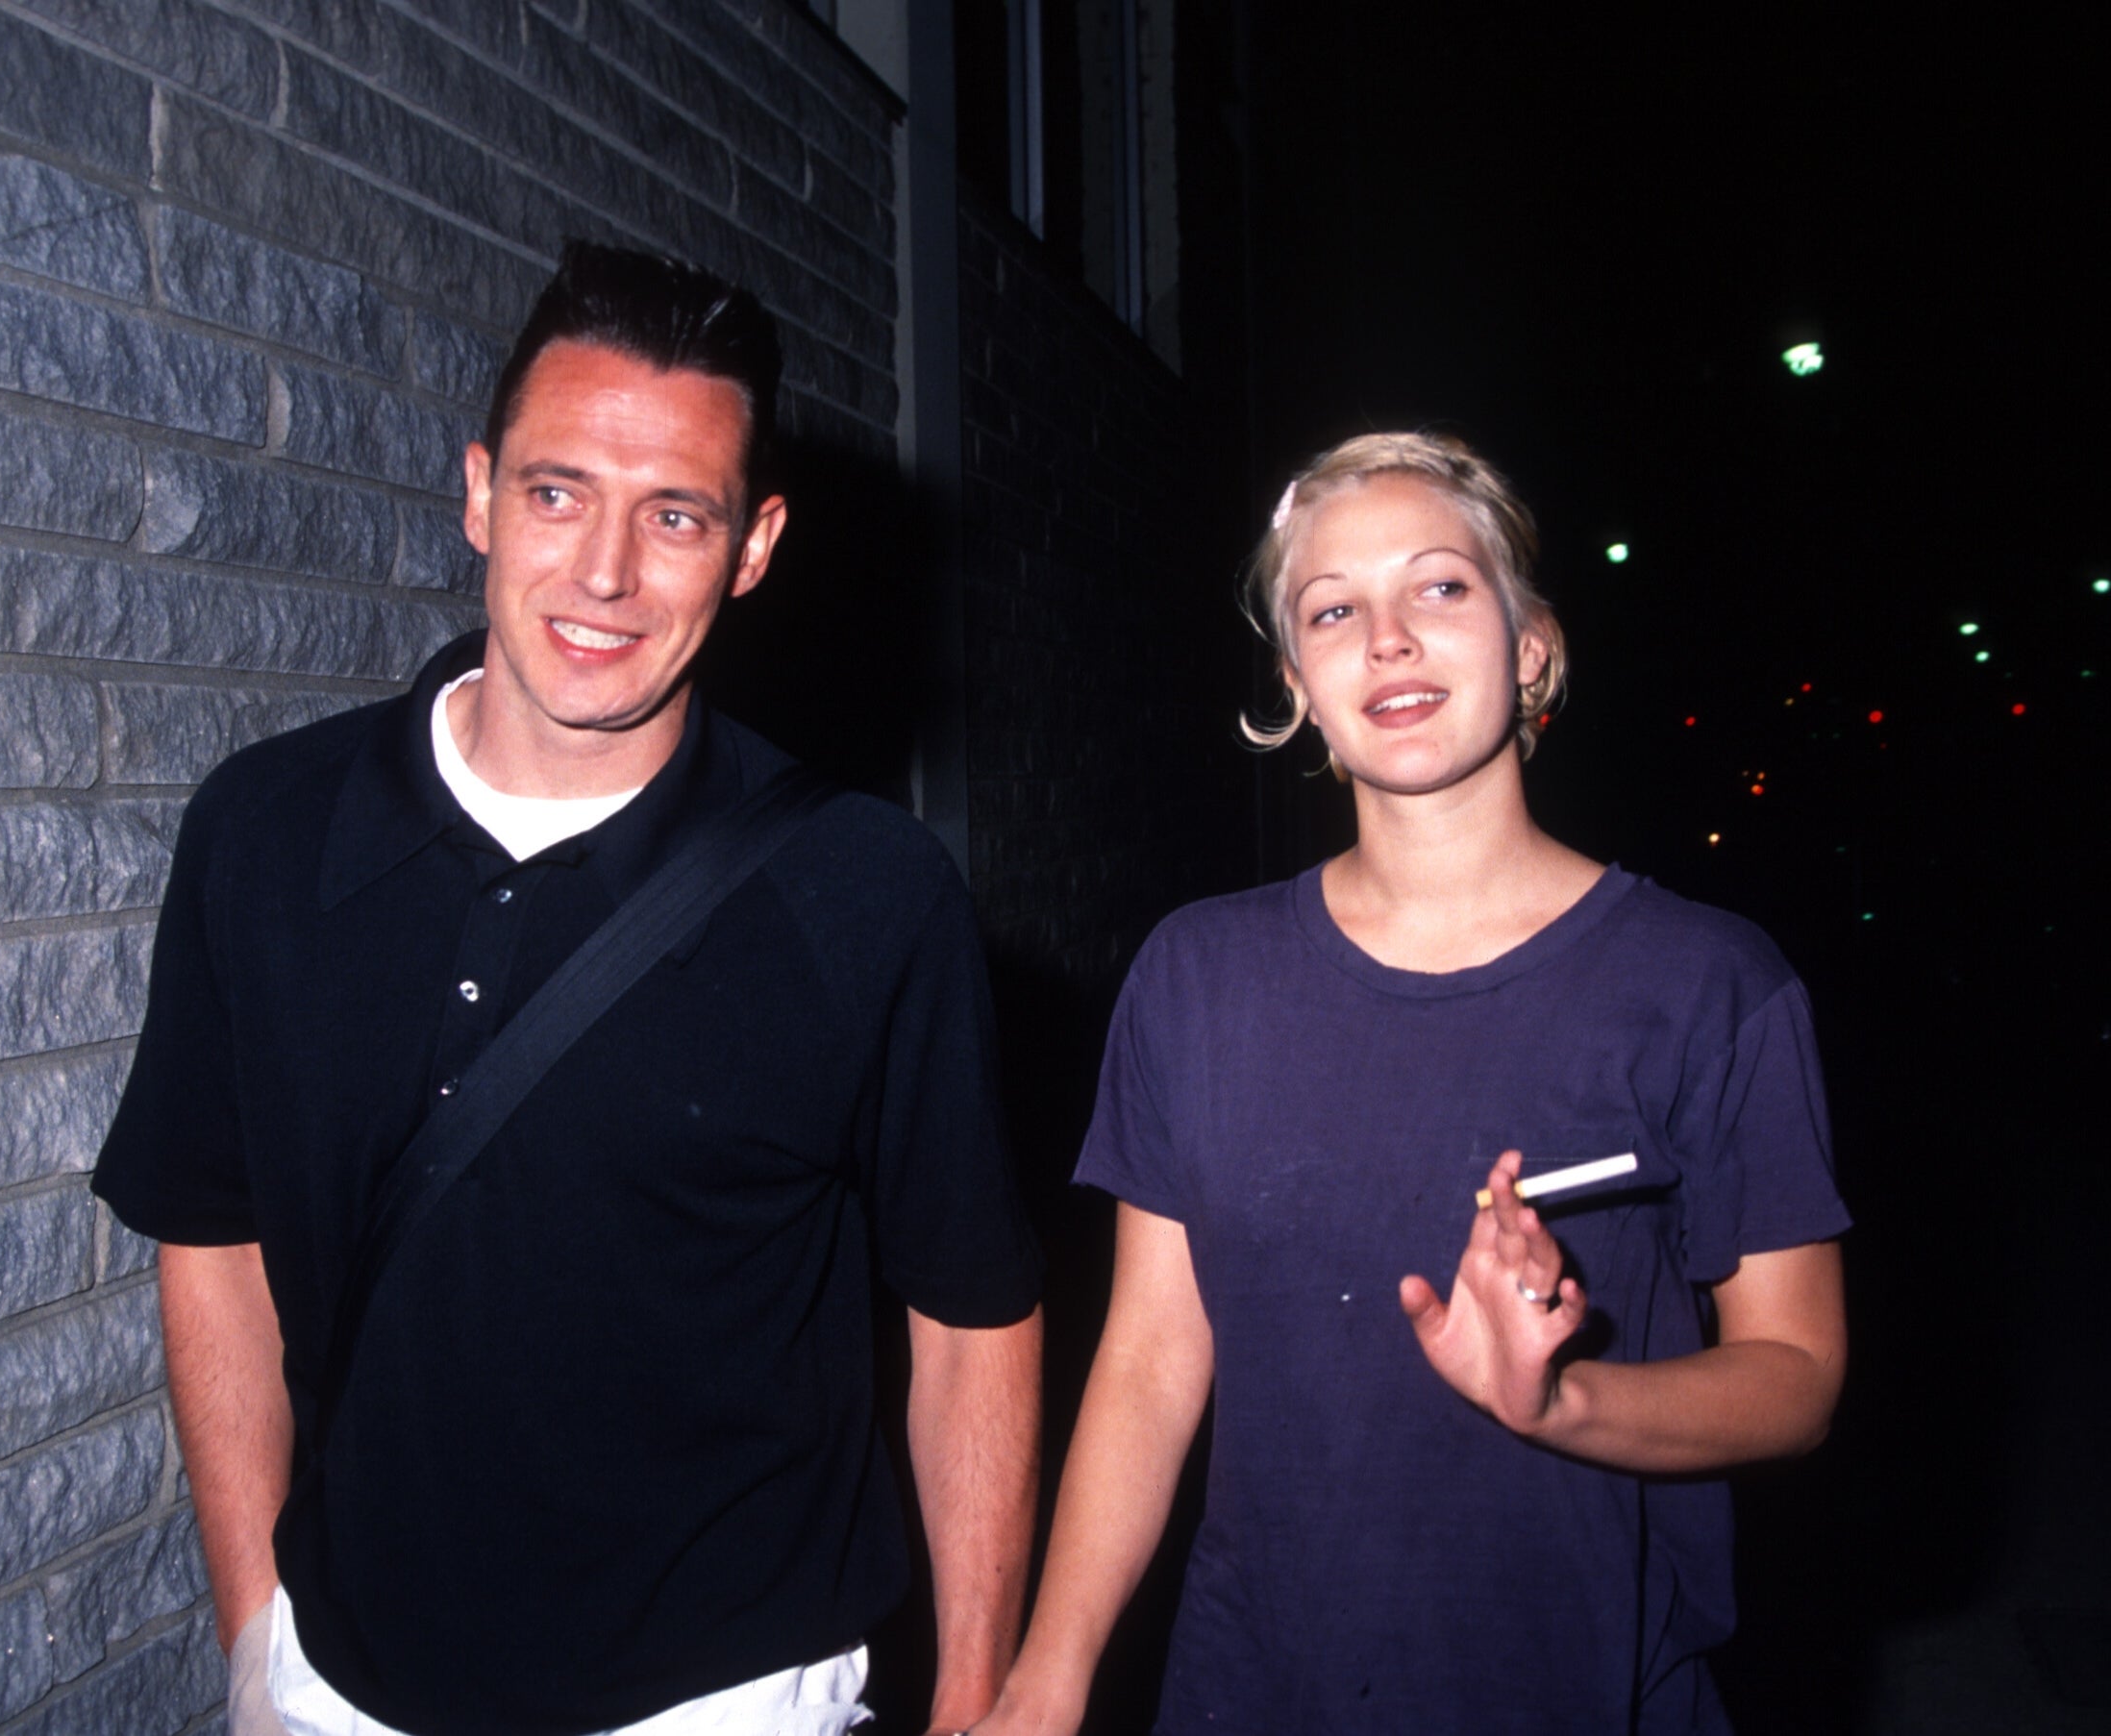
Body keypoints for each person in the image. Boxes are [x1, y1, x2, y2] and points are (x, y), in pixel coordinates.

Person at [93, 242, 1044, 1736]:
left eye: (676, 515)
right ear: (478, 492)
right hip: (346, 1687)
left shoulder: (866, 891)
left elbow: (970, 1315)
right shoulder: (267, 832)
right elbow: (211, 1234)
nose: (604, 572)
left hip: (727, 1695)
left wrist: (980, 1694)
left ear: (754, 544)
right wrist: (253, 1638)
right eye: (556, 493)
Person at [973, 433, 1850, 1735]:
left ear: (1531, 644)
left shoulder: (1708, 981)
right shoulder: (1195, 975)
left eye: (1438, 587)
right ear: (1295, 686)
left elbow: (1795, 1372)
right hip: (1250, 1692)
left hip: (1590, 1692)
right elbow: (1153, 1359)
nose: (1386, 637)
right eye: (1334, 609)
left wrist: (1561, 1397)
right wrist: (1044, 1684)